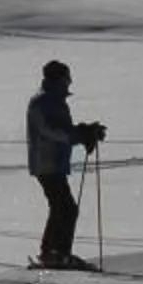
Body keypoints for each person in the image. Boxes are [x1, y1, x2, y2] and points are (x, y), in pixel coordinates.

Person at [25, 60, 107, 269]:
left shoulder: (52, 100)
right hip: (46, 161)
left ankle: (54, 251)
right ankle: (55, 252)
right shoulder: (42, 102)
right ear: (58, 79)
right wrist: (79, 135)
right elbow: (50, 130)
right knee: (65, 207)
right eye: (66, 78)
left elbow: (62, 129)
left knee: (62, 207)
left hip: (54, 161)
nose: (69, 82)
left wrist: (83, 131)